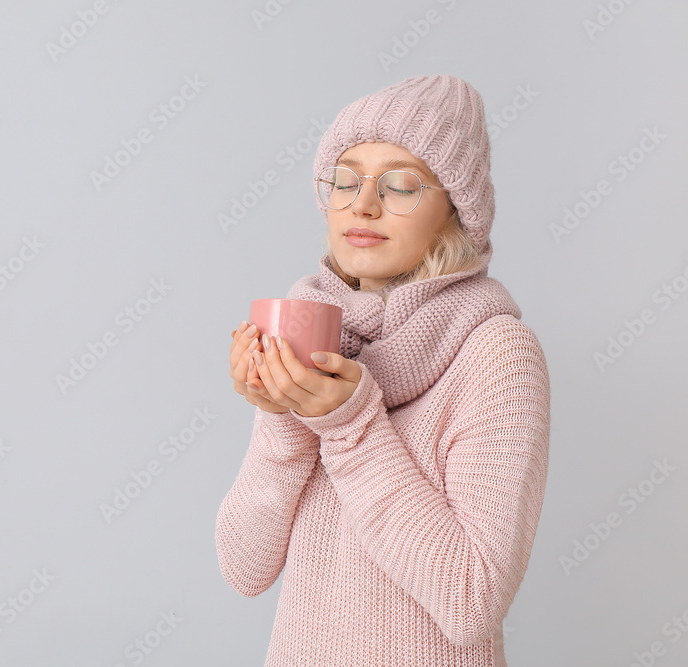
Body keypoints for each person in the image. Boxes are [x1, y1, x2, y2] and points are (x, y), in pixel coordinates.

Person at [215, 74, 551, 666]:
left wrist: (347, 425)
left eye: (399, 185)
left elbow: (471, 600)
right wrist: (287, 414)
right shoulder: (320, 334)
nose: (362, 205)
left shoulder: (498, 354)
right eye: (346, 180)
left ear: (457, 208)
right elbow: (244, 567)